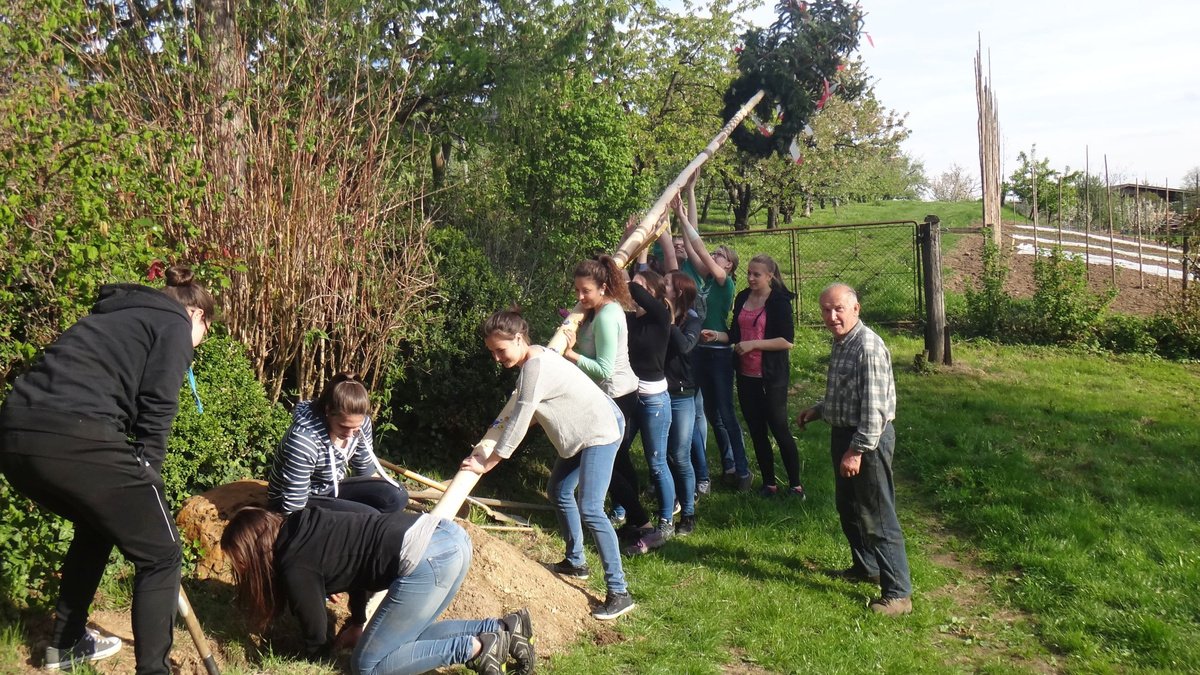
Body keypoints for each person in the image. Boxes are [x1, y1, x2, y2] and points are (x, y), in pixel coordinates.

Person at [0, 266, 214, 673]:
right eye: (206, 331)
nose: (200, 341)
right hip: (75, 434)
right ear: (197, 315)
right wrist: (148, 469)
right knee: (162, 554)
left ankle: (66, 644)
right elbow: (158, 405)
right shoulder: (173, 322)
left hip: (14, 435)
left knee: (97, 526)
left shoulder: (113, 316)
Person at [220, 507, 534, 675]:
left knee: (367, 667)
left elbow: (315, 629)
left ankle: (475, 648)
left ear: (255, 552)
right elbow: (358, 562)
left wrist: (318, 657)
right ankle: (503, 628)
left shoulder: (294, 564)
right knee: (409, 640)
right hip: (448, 536)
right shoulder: (306, 518)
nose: (242, 572)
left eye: (241, 563)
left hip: (425, 558)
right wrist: (358, 620)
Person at [466, 310, 635, 620]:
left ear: (519, 338)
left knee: (591, 508)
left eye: (500, 350)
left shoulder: (535, 366)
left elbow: (520, 420)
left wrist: (488, 463)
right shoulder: (534, 358)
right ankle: (576, 562)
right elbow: (529, 413)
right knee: (559, 490)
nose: (496, 358)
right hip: (580, 434)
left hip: (599, 431)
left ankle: (619, 591)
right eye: (491, 351)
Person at [795, 283, 913, 616]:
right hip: (845, 434)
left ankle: (899, 594)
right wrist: (819, 410)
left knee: (877, 515)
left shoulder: (867, 347)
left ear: (856, 309)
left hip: (867, 440)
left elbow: (875, 410)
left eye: (839, 309)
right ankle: (867, 567)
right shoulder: (842, 342)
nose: (831, 316)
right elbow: (848, 392)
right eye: (826, 310)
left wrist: (857, 450)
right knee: (848, 507)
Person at [561, 256, 653, 541]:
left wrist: (570, 354)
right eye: (577, 290)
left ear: (603, 288)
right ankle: (637, 521)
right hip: (613, 394)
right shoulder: (597, 309)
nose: (580, 297)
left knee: (606, 465)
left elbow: (604, 369)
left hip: (617, 396)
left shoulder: (607, 316)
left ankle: (641, 521)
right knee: (620, 461)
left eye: (585, 291)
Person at [676, 175, 751, 491]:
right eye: (715, 254)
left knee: (725, 412)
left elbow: (698, 246)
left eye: (720, 255)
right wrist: (690, 195)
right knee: (706, 413)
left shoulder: (724, 282)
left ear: (729, 265)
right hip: (698, 350)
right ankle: (717, 467)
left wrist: (681, 216)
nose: (714, 256)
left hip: (719, 354)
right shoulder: (702, 278)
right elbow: (692, 242)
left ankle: (742, 470)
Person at [711, 254, 805, 498]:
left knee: (779, 428)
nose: (751, 278)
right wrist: (716, 335)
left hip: (771, 376)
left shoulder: (779, 301)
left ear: (770, 276)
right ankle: (769, 483)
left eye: (757, 274)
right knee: (756, 430)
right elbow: (735, 335)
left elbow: (787, 341)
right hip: (745, 375)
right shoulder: (743, 297)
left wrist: (754, 344)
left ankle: (795, 485)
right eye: (749, 273)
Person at [267, 372, 408, 515]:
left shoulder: (361, 424)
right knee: (368, 515)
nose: (350, 434)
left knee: (396, 496)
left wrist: (382, 491)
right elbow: (293, 505)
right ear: (328, 410)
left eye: (355, 427)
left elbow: (365, 469)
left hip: (331, 489)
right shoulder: (304, 439)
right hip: (293, 500)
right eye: (343, 426)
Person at [619, 269, 678, 555]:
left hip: (654, 401)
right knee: (618, 454)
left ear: (653, 293)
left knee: (656, 462)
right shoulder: (629, 320)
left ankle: (666, 522)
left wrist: (624, 278)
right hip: (630, 397)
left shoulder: (660, 317)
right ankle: (629, 513)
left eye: (641, 287)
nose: (634, 291)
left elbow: (637, 292)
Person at [663, 270, 703, 535]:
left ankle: (688, 514)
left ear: (677, 292)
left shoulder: (692, 320)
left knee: (680, 455)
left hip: (681, 395)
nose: (661, 285)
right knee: (662, 455)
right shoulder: (658, 315)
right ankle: (669, 506)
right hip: (657, 393)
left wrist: (668, 321)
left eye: (666, 283)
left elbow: (685, 347)